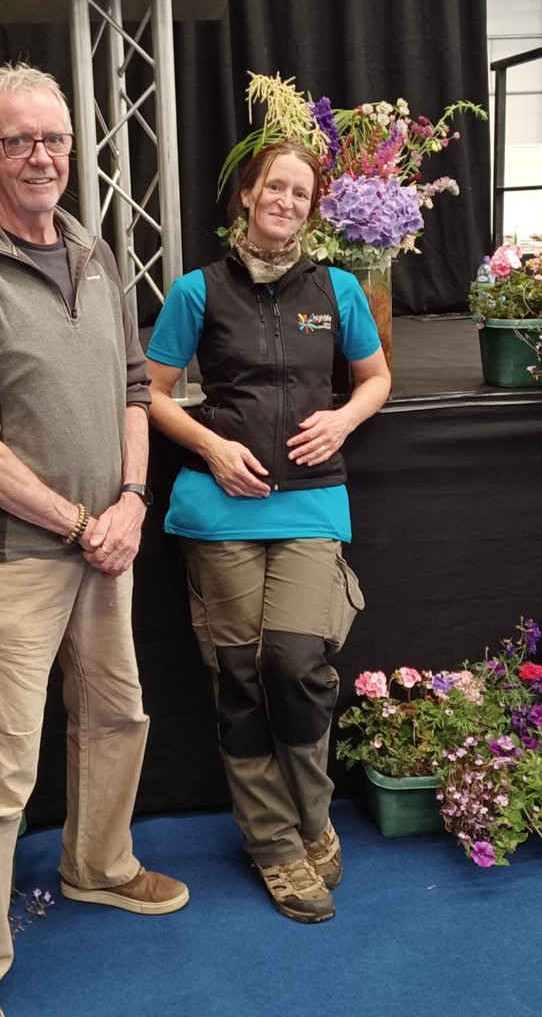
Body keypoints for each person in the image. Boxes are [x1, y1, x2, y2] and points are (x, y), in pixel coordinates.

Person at [0, 64, 188, 1017]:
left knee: (117, 717)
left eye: (56, 139)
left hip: (107, 543)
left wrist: (133, 501)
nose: (42, 156)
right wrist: (80, 523)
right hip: (13, 560)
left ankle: (98, 865)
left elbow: (133, 388)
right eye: (20, 140)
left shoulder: (94, 251)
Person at [144, 140, 390, 924]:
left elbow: (376, 378)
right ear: (247, 195)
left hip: (310, 506)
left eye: (300, 193)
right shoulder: (197, 290)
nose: (285, 200)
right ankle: (275, 845)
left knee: (295, 663)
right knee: (241, 676)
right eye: (273, 187)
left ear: (310, 209)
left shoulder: (338, 289)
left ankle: (313, 818)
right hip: (219, 512)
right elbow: (150, 393)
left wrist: (344, 419)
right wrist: (212, 446)